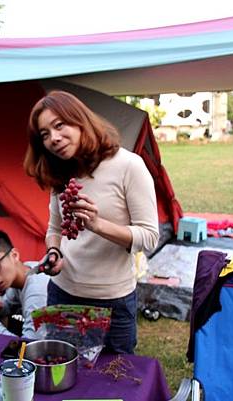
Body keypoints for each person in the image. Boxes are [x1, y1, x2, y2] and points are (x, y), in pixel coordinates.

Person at [23, 90, 159, 354]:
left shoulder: (129, 166)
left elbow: (150, 237)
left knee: (113, 381)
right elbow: (54, 229)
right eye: (45, 134)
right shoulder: (62, 172)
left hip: (113, 302)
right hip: (62, 293)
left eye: (59, 125)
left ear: (80, 120)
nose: (54, 138)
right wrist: (54, 251)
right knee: (64, 373)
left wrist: (97, 225)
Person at [0, 229, 49, 339]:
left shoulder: (38, 290)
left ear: (14, 255)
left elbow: (29, 347)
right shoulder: (25, 271)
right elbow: (7, 304)